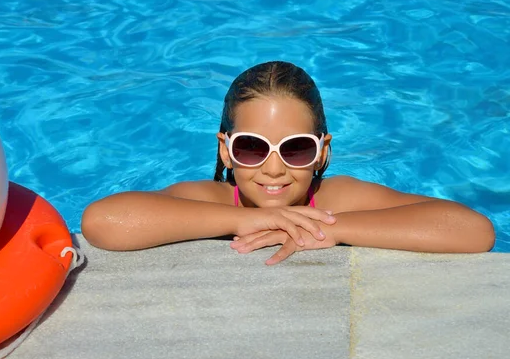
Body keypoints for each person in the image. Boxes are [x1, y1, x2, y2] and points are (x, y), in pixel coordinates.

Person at [81, 61, 495, 265]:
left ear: (323, 152)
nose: (274, 169)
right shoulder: (213, 199)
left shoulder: (338, 198)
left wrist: (331, 229)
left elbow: (473, 230)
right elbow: (104, 221)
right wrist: (244, 221)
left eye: (295, 149)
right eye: (252, 148)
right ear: (226, 150)